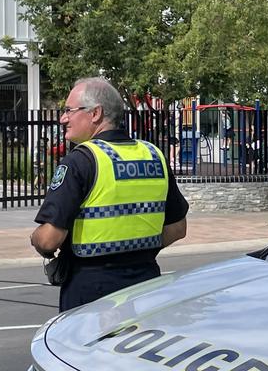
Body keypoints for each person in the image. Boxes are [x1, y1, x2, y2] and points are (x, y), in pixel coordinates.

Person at [31, 77, 189, 312]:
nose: (63, 118)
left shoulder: (80, 161)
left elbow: (48, 239)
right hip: (146, 286)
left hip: (91, 292)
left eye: (68, 111)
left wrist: (36, 240)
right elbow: (177, 229)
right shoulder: (153, 155)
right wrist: (136, 249)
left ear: (95, 113)